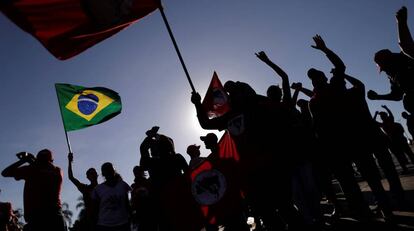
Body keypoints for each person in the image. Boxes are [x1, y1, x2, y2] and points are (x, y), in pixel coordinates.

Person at [1, 149, 66, 231]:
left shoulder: (31, 170)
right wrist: (31, 160)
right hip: (55, 216)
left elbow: (5, 173)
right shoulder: (57, 171)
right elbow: (43, 168)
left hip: (36, 219)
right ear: (52, 160)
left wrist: (24, 160)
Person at [367, 6, 414, 113]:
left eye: (385, 66)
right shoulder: (393, 77)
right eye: (383, 69)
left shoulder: (407, 57)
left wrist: (401, 23)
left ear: (390, 60)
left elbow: (406, 46)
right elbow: (397, 96)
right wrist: (377, 97)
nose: (385, 71)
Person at [92, 162, 131, 231]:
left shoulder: (123, 185)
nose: (109, 172)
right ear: (103, 174)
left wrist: (130, 218)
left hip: (123, 223)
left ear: (114, 171)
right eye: (107, 170)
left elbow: (127, 204)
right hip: (104, 225)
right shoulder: (98, 189)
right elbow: (95, 209)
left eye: (111, 170)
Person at [68, 152, 98, 231]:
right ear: (88, 177)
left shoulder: (103, 188)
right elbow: (71, 177)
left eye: (94, 172)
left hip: (103, 219)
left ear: (97, 174)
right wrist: (69, 162)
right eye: (91, 173)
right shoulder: (85, 188)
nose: (93, 174)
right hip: (90, 221)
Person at [130, 166, 155, 231]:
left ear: (141, 172)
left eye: (137, 172)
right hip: (140, 215)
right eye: (135, 172)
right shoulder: (134, 186)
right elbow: (133, 202)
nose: (136, 174)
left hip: (150, 213)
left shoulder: (148, 183)